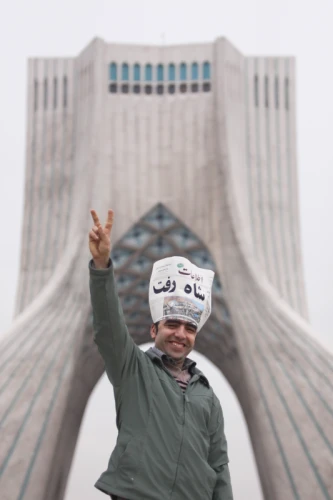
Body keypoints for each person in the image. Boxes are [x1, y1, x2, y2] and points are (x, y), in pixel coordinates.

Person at [89, 209, 234, 500]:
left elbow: (218, 465)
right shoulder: (134, 371)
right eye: (172, 324)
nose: (181, 333)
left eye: (189, 328)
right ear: (154, 330)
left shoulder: (207, 396)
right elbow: (109, 328)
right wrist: (102, 266)